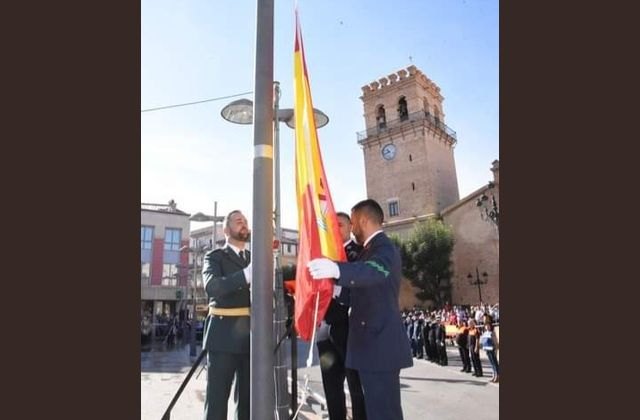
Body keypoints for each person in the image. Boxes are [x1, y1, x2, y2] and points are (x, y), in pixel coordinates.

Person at [307, 199, 413, 420]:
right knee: (376, 411)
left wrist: (337, 268)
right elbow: (353, 292)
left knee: (384, 413)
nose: (352, 229)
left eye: (352, 223)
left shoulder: (383, 247)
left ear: (364, 221)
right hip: (371, 346)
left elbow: (375, 270)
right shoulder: (370, 250)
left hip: (379, 347)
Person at [316, 212, 367, 420]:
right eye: (332, 226)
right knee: (331, 384)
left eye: (341, 225)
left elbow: (361, 283)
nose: (336, 229)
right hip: (325, 327)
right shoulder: (323, 256)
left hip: (348, 325)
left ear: (350, 227)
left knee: (355, 383)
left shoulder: (359, 252)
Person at [201, 210, 252, 420]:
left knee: (249, 401)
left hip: (251, 338)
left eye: (245, 222)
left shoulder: (253, 258)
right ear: (226, 229)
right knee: (217, 401)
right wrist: (246, 275)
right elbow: (212, 287)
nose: (244, 225)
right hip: (223, 336)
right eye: (238, 221)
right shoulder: (214, 257)